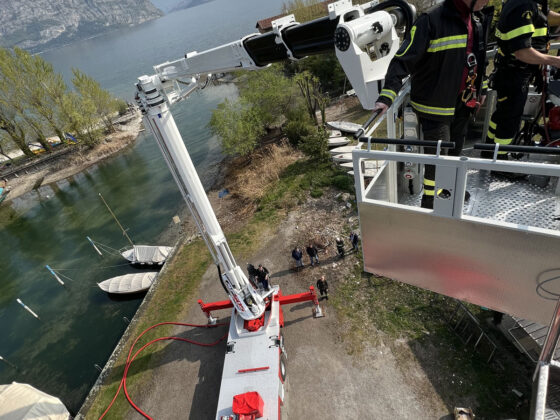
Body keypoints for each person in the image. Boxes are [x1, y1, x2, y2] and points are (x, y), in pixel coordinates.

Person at [372, 0, 493, 209]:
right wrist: (386, 96)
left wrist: (480, 90)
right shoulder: (430, 21)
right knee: (438, 159)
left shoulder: (476, 20)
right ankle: (430, 201)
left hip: (463, 102)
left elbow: (478, 59)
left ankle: (449, 191)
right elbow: (402, 60)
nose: (489, 1)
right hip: (435, 105)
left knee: (455, 151)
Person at [484, 0, 560, 173]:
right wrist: (554, 61)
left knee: (502, 114)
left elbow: (544, 16)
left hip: (519, 71)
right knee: (510, 119)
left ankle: (489, 151)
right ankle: (500, 165)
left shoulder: (533, 3)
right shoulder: (522, 5)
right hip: (513, 72)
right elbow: (522, 52)